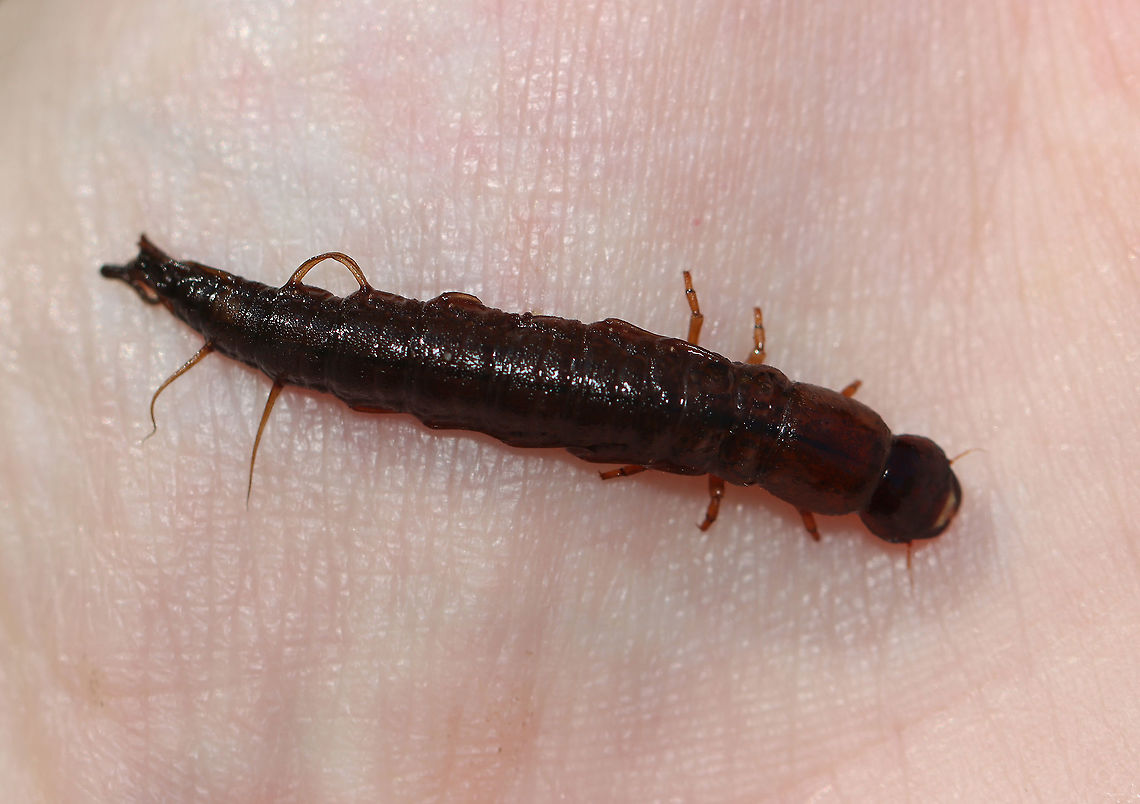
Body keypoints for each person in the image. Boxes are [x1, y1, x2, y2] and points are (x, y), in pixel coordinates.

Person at [2, 0, 1137, 798]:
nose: (883, 481)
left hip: (653, 389)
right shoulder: (755, 463)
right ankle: (188, 291)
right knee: (414, 359)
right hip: (628, 400)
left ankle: (188, 293)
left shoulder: (757, 407)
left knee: (411, 357)